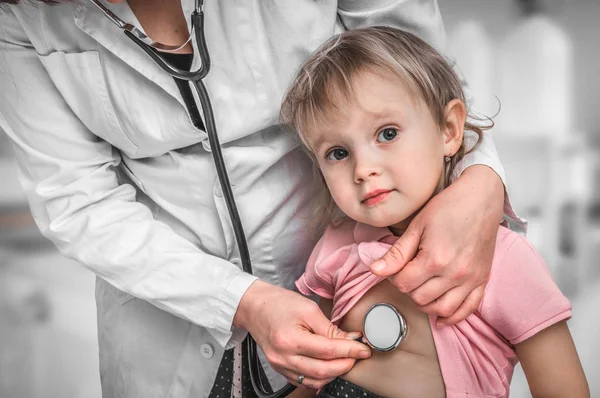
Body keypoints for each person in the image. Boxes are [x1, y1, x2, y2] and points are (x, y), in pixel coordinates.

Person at [0, 1, 517, 396]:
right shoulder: (22, 16)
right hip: (167, 325)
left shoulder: (506, 267)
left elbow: (423, 75)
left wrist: (480, 178)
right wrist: (241, 301)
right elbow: (77, 201)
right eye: (338, 152)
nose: (364, 170)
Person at [281, 26, 589, 398]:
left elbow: (564, 391)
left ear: (449, 129)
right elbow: (308, 373)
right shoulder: (336, 247)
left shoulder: (506, 259)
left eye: (388, 133)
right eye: (338, 153)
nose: (363, 169)